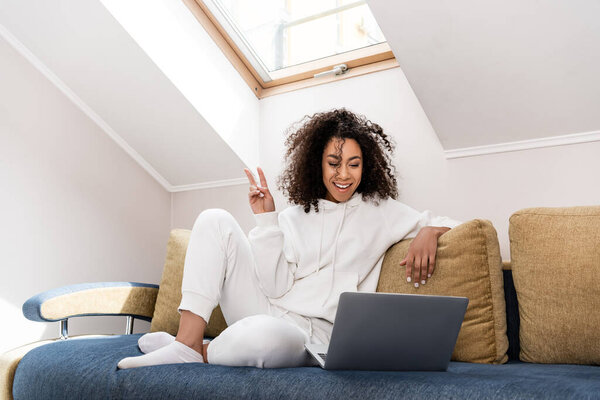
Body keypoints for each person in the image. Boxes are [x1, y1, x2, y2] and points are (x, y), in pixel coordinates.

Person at [118, 108, 460, 370]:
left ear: (365, 167)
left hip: (309, 339)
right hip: (267, 306)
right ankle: (186, 342)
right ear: (317, 164)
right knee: (214, 219)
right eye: (334, 163)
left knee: (264, 337)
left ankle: (199, 352)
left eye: (354, 165)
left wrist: (428, 231)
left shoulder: (379, 211)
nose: (344, 175)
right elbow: (274, 286)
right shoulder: (295, 215)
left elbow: (455, 223)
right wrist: (267, 219)